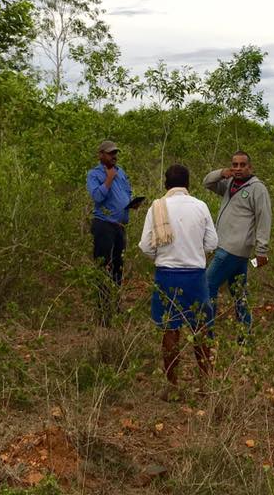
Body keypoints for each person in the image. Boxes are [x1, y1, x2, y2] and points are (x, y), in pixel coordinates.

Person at [139, 164, 218, 398]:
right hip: (195, 276)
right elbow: (212, 243)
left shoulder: (157, 207)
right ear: (188, 184)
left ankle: (172, 386)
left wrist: (164, 255)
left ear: (166, 183)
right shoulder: (200, 206)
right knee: (200, 328)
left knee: (170, 329)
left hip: (167, 274)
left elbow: (146, 246)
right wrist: (193, 250)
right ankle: (206, 384)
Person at [203, 150, 271, 342]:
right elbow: (207, 182)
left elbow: (264, 219)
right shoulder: (230, 184)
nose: (238, 168)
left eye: (242, 165)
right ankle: (245, 336)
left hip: (232, 249)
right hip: (228, 247)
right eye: (235, 165)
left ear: (250, 167)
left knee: (207, 285)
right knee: (239, 291)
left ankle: (207, 334)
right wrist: (221, 173)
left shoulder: (258, 189)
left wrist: (262, 250)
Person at [86, 140, 141, 325]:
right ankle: (103, 313)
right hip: (104, 225)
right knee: (104, 267)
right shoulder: (94, 174)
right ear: (101, 154)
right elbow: (97, 196)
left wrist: (131, 203)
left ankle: (114, 307)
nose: (114, 156)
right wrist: (108, 179)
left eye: (115, 153)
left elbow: (127, 191)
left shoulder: (121, 171)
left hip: (119, 227)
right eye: (110, 153)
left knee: (118, 268)